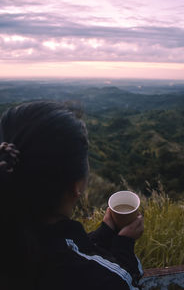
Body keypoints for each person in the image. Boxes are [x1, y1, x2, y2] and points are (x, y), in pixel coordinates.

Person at [0, 101, 144, 290]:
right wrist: (124, 245)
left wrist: (105, 234)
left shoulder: (15, 231)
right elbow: (125, 282)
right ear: (76, 186)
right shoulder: (99, 280)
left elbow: (61, 247)